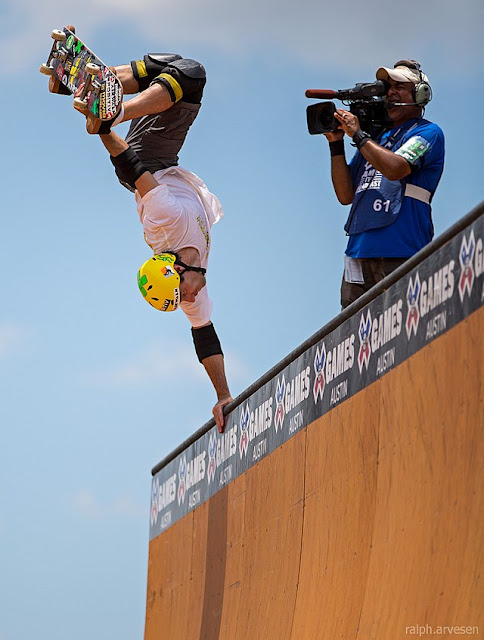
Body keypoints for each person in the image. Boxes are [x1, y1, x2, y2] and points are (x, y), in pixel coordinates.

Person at [48, 27, 232, 432]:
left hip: (148, 161)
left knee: (191, 75)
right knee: (169, 70)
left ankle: (110, 104)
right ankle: (77, 84)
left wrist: (106, 128)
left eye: (184, 293)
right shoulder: (188, 290)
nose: (191, 299)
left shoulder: (167, 221)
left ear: (175, 271)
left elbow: (132, 168)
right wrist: (222, 394)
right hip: (163, 164)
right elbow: (205, 337)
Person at [324, 59, 445, 309]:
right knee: (355, 340)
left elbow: (395, 168)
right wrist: (336, 143)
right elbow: (346, 195)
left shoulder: (427, 132)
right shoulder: (374, 141)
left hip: (401, 248)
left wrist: (358, 135)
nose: (390, 92)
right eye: (387, 87)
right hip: (358, 254)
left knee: (406, 334)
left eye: (399, 86)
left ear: (419, 94)